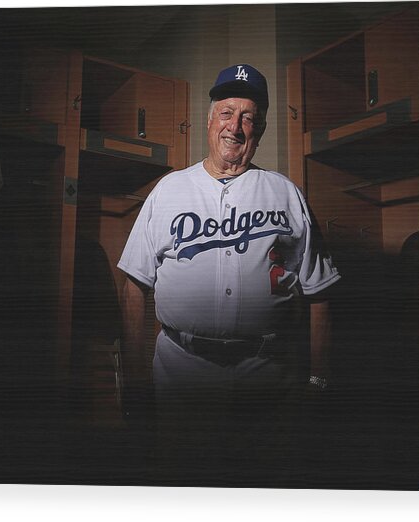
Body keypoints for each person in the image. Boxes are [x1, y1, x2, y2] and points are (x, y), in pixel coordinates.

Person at [117, 64, 340, 484]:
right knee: (184, 488)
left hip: (268, 378)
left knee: (264, 489)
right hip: (182, 374)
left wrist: (319, 382)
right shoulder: (169, 190)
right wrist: (133, 379)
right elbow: (133, 288)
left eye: (248, 117)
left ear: (262, 128)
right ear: (209, 120)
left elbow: (320, 294)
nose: (234, 126)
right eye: (226, 113)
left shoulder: (286, 193)